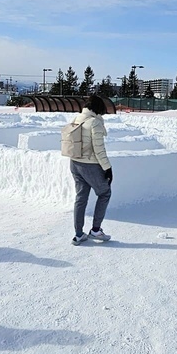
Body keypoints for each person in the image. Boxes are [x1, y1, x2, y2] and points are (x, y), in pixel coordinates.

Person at [67, 95, 113, 245]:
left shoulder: (77, 119)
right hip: (89, 165)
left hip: (74, 162)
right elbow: (99, 149)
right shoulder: (95, 123)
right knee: (105, 192)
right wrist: (108, 168)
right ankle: (95, 230)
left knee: (81, 198)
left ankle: (79, 234)